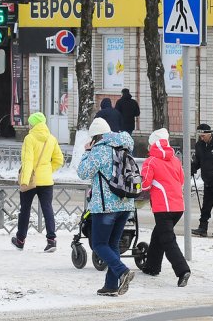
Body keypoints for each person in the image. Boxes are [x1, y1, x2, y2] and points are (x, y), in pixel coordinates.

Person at [77, 118, 136, 296]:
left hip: (105, 206)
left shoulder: (99, 150)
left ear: (95, 136)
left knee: (99, 244)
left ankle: (122, 271)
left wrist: (87, 152)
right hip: (125, 204)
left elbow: (83, 172)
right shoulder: (124, 146)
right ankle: (111, 285)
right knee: (112, 244)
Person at [140, 128, 191, 287]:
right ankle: (152, 267)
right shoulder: (175, 160)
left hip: (163, 207)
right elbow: (182, 180)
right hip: (178, 206)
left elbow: (144, 184)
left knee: (168, 240)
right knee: (158, 235)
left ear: (152, 145)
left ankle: (182, 270)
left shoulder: (151, 162)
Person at [11, 112, 64, 252]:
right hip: (46, 180)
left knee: (25, 210)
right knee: (47, 209)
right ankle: (51, 240)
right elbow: (59, 160)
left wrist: (24, 180)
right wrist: (47, 171)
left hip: (30, 180)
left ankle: (20, 240)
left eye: (30, 123)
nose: (29, 125)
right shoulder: (51, 139)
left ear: (33, 124)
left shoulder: (30, 138)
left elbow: (28, 161)